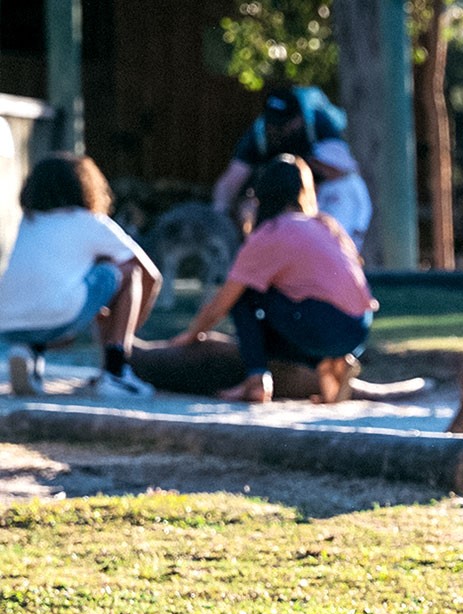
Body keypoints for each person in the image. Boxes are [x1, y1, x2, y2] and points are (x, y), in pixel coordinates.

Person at [175, 155, 375, 404]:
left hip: (325, 328)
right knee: (278, 313)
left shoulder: (272, 232)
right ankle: (333, 362)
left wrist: (191, 335)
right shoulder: (325, 224)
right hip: (358, 329)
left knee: (245, 296)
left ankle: (257, 379)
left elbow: (222, 303)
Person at [0, 153, 163, 398]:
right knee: (125, 272)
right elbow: (150, 275)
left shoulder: (24, 222)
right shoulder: (90, 221)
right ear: (86, 186)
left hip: (6, 325)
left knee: (66, 283)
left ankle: (29, 351)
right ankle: (115, 370)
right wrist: (123, 330)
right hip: (58, 320)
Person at [213, 84, 372, 250]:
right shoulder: (260, 134)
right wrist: (219, 215)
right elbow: (230, 181)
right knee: (248, 208)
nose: (276, 129)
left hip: (321, 197)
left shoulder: (319, 126)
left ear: (298, 120)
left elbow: (342, 172)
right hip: (276, 196)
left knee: (330, 227)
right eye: (272, 123)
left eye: (283, 124)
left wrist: (310, 202)